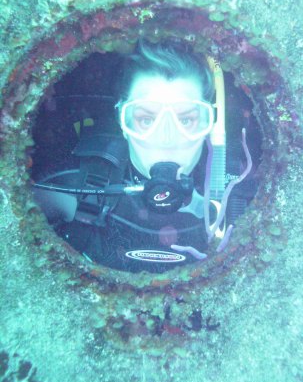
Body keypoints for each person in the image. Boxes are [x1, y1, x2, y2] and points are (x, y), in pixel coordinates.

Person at [33, 40, 252, 273]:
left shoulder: (238, 196)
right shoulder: (79, 190)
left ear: (210, 125)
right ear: (122, 123)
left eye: (186, 120)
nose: (167, 140)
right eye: (146, 120)